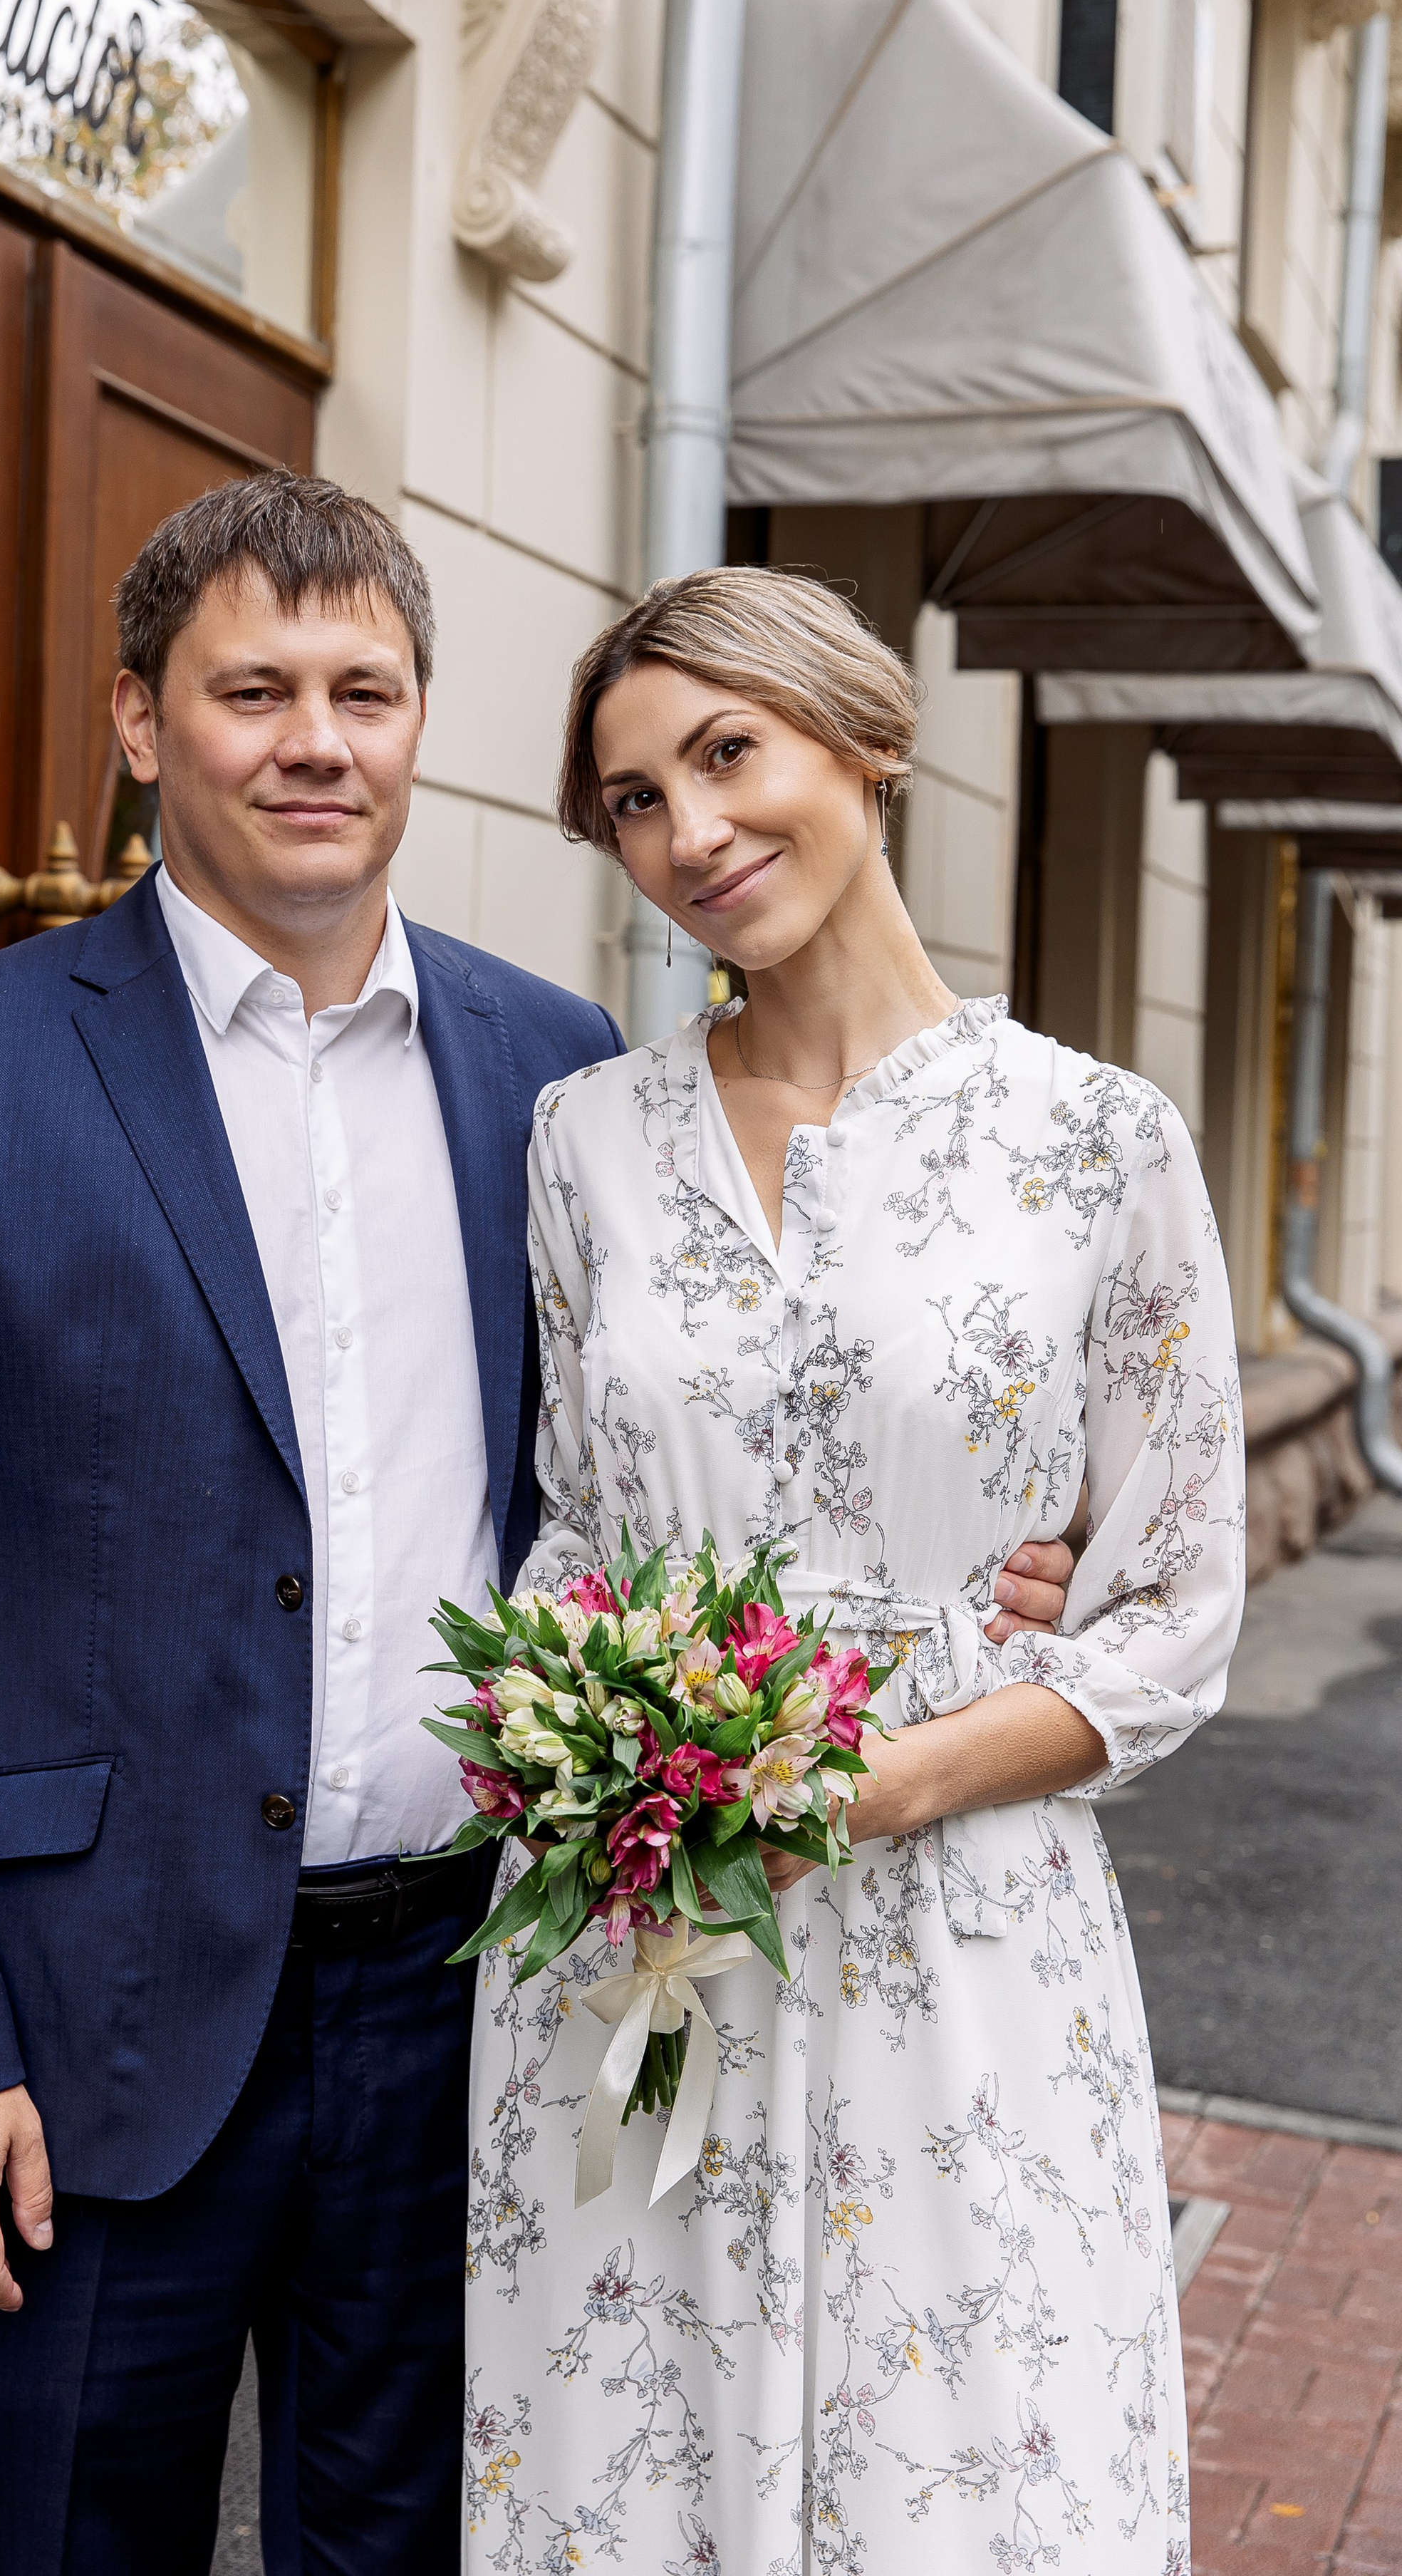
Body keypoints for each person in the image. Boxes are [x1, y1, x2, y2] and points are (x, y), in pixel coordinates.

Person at [0, 477, 1072, 2576]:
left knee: (409, 2546)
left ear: (419, 721)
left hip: (476, 1992)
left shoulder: (554, 1076)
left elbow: (687, 1460)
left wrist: (1031, 1532)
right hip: (101, 2019)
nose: (316, 740)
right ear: (140, 722)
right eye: (253, 690)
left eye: (362, 691)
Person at [464, 567, 1244, 2576]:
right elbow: (573, 1520)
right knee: (630, 2481)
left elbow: (1170, 1611)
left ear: (864, 744)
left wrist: (877, 1786)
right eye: (634, 801)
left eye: (727, 754)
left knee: (975, 2487)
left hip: (966, 1945)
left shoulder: (1098, 1142)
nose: (690, 835)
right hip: (630, 1950)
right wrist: (580, 1739)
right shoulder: (581, 1142)